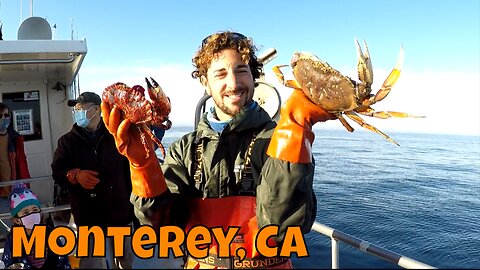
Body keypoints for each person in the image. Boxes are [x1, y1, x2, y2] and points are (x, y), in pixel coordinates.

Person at [102, 31, 337, 269]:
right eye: (221, 73)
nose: (233, 84)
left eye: (241, 70)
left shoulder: (279, 141)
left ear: (254, 77)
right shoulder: (185, 149)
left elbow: (282, 232)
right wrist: (143, 166)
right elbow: (163, 228)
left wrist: (294, 130)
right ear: (205, 81)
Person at [50, 92, 136, 269]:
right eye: (76, 110)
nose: (77, 112)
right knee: (93, 265)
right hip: (89, 219)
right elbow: (57, 171)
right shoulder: (67, 142)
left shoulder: (117, 135)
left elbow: (134, 163)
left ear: (97, 110)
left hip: (121, 214)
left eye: (81, 109)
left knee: (130, 263)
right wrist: (75, 175)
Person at [1, 182, 71, 269]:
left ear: (40, 214)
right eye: (25, 212)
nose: (32, 214)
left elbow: (63, 261)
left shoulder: (51, 234)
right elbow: (9, 262)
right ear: (17, 220)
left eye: (35, 210)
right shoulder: (13, 239)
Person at [0, 102, 31, 197]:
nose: (3, 118)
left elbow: (22, 165)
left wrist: (26, 187)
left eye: (5, 115)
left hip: (16, 191)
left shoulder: (16, 139)